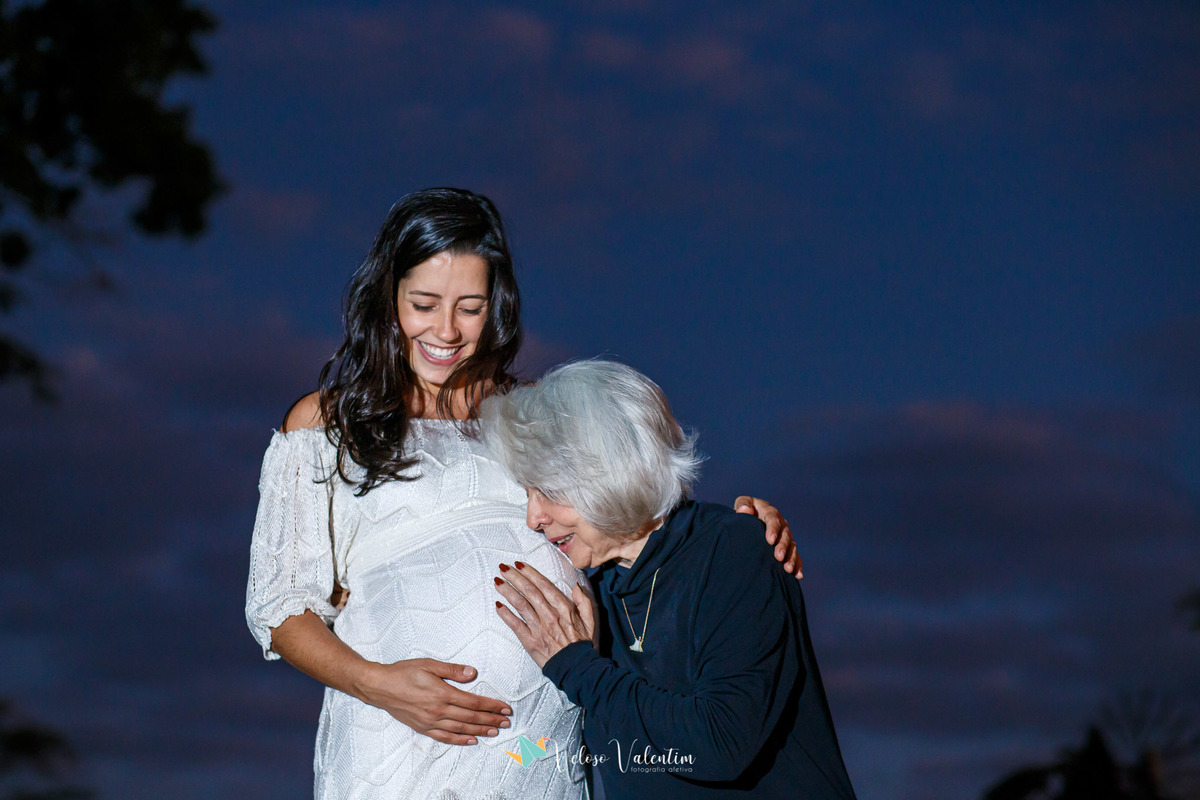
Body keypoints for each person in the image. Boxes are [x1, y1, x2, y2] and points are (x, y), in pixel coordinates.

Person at [244, 188, 801, 799]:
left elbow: (631, 513)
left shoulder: (532, 411)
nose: (446, 331)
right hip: (398, 740)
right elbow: (280, 608)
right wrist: (378, 683)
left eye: (470, 307)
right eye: (423, 304)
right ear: (388, 299)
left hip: (542, 741)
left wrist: (741, 524)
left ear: (498, 306)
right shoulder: (325, 423)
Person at [486, 360, 857, 798]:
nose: (534, 517)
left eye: (547, 490)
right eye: (527, 494)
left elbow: (720, 744)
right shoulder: (594, 593)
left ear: (609, 471)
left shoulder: (730, 550)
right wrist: (486, 757)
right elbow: (594, 752)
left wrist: (576, 666)